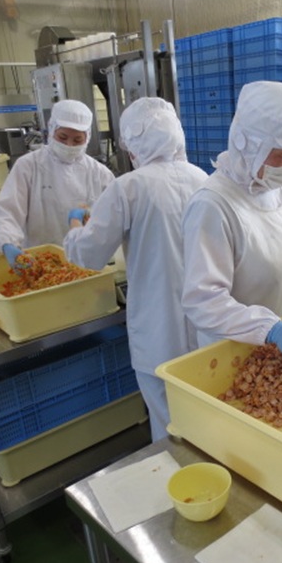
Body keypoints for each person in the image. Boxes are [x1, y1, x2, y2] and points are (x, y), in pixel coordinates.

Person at [64, 97, 208, 441]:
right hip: (206, 322)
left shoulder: (129, 186)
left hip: (158, 328)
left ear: (134, 145)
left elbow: (87, 255)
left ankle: (177, 473)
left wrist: (74, 225)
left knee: (168, 422)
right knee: (204, 413)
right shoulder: (203, 178)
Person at [181, 80, 282, 372]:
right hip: (242, 361)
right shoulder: (213, 205)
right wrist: (271, 330)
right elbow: (203, 302)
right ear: (249, 145)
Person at [0, 99, 114, 268]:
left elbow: (114, 217)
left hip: (86, 262)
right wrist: (8, 243)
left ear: (87, 138)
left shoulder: (99, 173)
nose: (69, 145)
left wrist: (91, 215)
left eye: (77, 140)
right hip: (39, 262)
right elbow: (8, 212)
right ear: (51, 130)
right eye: (62, 137)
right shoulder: (29, 166)